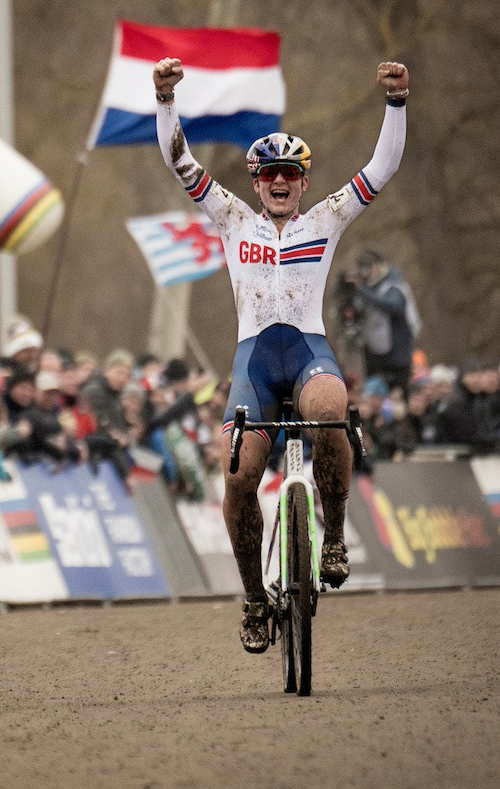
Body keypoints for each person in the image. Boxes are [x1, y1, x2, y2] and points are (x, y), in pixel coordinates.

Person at [153, 53, 409, 653]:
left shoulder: (327, 218)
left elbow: (383, 164)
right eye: (268, 174)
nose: (278, 181)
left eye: (289, 174)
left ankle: (336, 536)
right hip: (252, 367)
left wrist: (396, 103)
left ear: (303, 181)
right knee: (238, 475)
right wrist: (166, 100)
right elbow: (179, 161)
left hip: (307, 353)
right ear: (255, 182)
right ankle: (252, 598)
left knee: (330, 406)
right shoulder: (231, 217)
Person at [344, 247, 419, 388]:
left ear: (378, 266)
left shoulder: (394, 285)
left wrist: (361, 290)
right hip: (375, 355)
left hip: (398, 356)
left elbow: (393, 307)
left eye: (368, 267)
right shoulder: (368, 289)